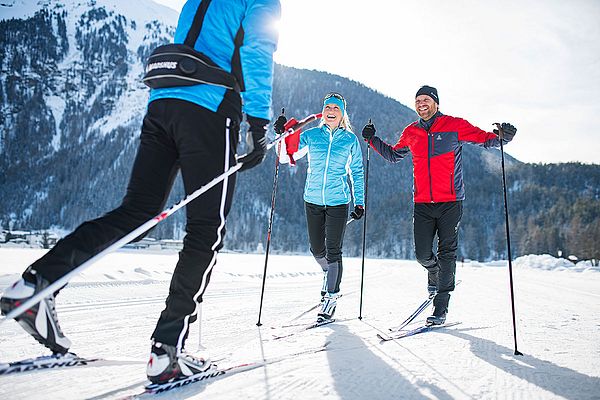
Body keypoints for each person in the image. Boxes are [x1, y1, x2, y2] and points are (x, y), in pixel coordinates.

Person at [0, 0, 281, 384]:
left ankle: (36, 284)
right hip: (211, 108)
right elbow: (257, 50)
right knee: (205, 229)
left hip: (162, 103)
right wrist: (259, 125)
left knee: (137, 212)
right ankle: (167, 351)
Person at [361, 85, 516, 325]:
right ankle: (432, 272)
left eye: (426, 100)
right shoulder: (411, 131)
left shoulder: (454, 125)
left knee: (447, 253)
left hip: (451, 202)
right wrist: (372, 140)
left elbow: (485, 139)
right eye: (418, 101)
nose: (421, 104)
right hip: (422, 202)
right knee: (422, 254)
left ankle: (440, 307)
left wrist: (502, 138)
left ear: (436, 103)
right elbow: (394, 155)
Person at [275, 92, 365, 323]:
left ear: (342, 113)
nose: (331, 111)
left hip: (338, 201)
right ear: (323, 112)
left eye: (336, 107)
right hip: (312, 199)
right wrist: (282, 135)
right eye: (328, 108)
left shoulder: (350, 140)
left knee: (334, 250)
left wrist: (360, 201)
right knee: (317, 250)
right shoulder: (312, 135)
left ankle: (331, 297)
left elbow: (356, 171)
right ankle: (329, 274)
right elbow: (287, 156)